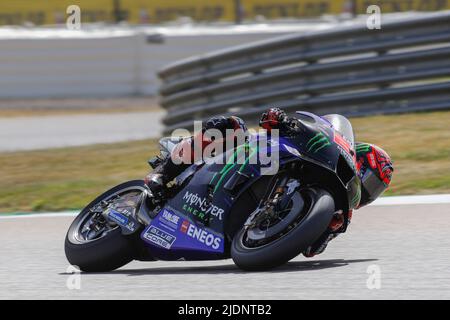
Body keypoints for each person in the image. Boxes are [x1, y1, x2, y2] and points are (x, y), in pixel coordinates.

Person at [145, 108, 393, 257]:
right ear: (357, 157)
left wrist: (327, 230)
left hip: (237, 229)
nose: (368, 190)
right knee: (232, 125)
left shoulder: (336, 213)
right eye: (369, 178)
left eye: (374, 189)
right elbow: (279, 123)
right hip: (245, 153)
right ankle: (164, 173)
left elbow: (311, 251)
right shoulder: (319, 145)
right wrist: (280, 119)